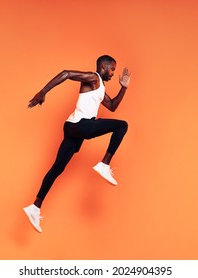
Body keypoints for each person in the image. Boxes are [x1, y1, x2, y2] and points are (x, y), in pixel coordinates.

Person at [24, 55, 131, 233]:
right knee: (123, 126)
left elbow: (112, 106)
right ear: (104, 66)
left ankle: (35, 207)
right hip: (81, 126)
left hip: (73, 128)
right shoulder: (93, 78)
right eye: (112, 69)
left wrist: (124, 87)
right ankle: (104, 163)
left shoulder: (99, 88)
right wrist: (43, 92)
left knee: (57, 168)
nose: (113, 73)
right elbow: (66, 73)